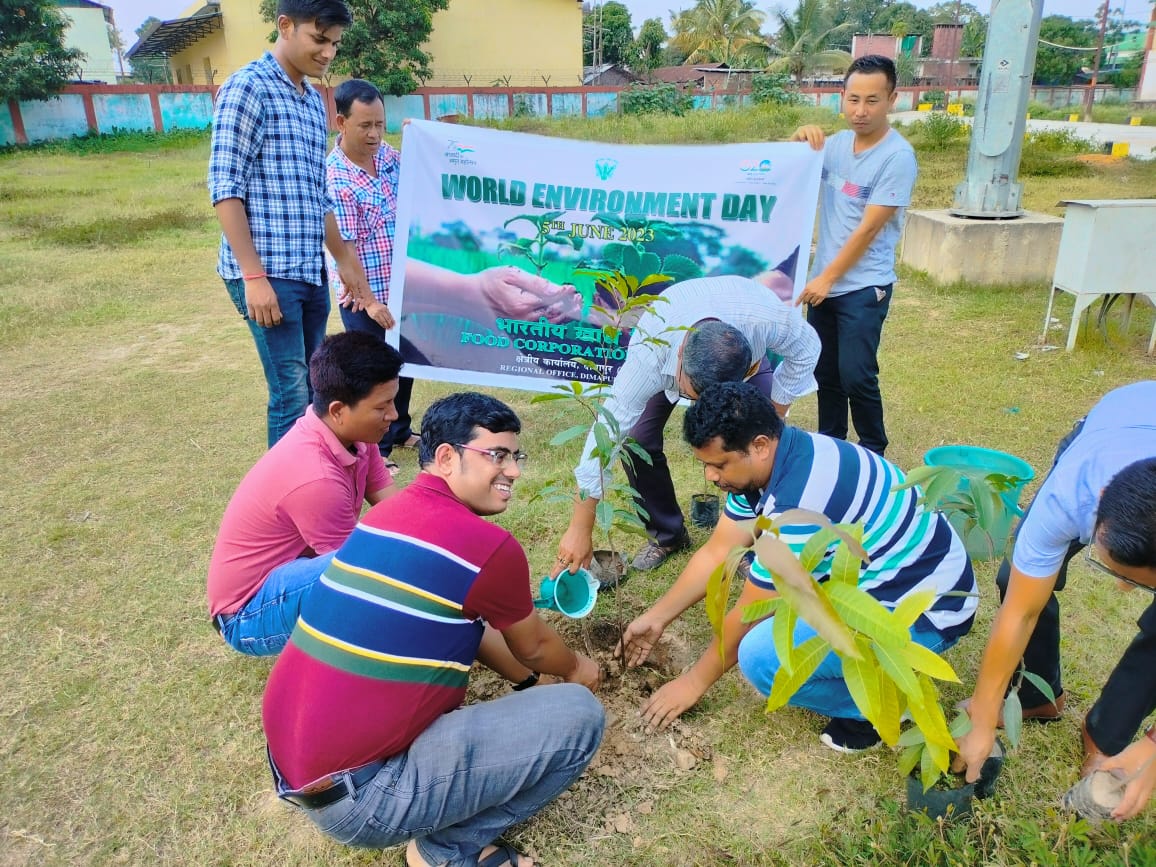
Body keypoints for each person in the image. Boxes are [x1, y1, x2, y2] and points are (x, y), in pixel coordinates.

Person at [262, 392, 605, 867]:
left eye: (515, 456)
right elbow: (536, 647)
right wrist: (580, 669)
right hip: (362, 800)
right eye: (497, 456)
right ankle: (445, 852)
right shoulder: (487, 546)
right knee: (579, 716)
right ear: (446, 457)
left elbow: (476, 628)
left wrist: (527, 684)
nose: (514, 471)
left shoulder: (385, 516)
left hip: (296, 766)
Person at [623, 382, 977, 751]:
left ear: (759, 445)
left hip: (928, 610)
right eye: (705, 465)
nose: (710, 477)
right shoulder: (773, 463)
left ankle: (878, 708)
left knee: (761, 658)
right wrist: (657, 617)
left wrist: (692, 683)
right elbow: (717, 552)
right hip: (889, 580)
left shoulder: (799, 503)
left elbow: (750, 613)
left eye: (718, 464)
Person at [954, 382, 1156, 791]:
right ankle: (1036, 697)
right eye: (1116, 572)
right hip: (1113, 427)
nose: (1124, 593)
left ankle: (1105, 738)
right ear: (1099, 502)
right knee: (1018, 581)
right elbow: (1021, 611)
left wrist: (1152, 749)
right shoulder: (1070, 493)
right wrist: (982, 714)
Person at [553, 275, 821, 575]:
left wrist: (776, 410)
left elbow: (808, 349)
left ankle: (751, 543)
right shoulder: (651, 352)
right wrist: (580, 527)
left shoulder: (767, 322)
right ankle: (668, 535)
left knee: (761, 445)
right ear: (681, 356)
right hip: (669, 343)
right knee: (637, 441)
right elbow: (608, 431)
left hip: (739, 333)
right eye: (696, 395)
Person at [208, 0, 373, 448]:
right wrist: (254, 276)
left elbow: (316, 193)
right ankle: (286, 500)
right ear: (285, 25)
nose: (327, 53)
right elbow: (225, 187)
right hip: (269, 273)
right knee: (290, 390)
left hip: (308, 270)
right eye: (319, 40)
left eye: (335, 44)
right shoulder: (249, 88)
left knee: (314, 389)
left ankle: (310, 478)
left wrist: (344, 260)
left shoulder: (309, 100)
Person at [207, 332, 402, 656]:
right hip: (244, 617)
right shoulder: (316, 479)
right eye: (382, 406)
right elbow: (355, 576)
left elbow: (396, 512)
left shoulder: (358, 437)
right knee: (376, 575)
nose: (394, 415)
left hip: (290, 580)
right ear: (339, 410)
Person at [790, 54, 918, 458]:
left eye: (872, 100)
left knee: (856, 373)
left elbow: (868, 229)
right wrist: (799, 139)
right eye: (853, 99)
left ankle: (873, 449)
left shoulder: (897, 157)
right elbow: (789, 170)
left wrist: (828, 279)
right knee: (825, 371)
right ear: (842, 98)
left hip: (864, 286)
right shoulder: (836, 146)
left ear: (893, 99)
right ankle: (831, 443)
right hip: (823, 282)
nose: (861, 111)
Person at [325, 78, 418, 470]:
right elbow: (343, 249)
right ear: (341, 122)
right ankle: (374, 452)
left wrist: (420, 138)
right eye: (365, 126)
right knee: (370, 376)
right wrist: (369, 301)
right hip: (364, 295)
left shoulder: (389, 158)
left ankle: (399, 430)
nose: (375, 134)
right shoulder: (336, 178)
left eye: (380, 124)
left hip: (401, 288)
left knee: (405, 365)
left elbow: (427, 165)